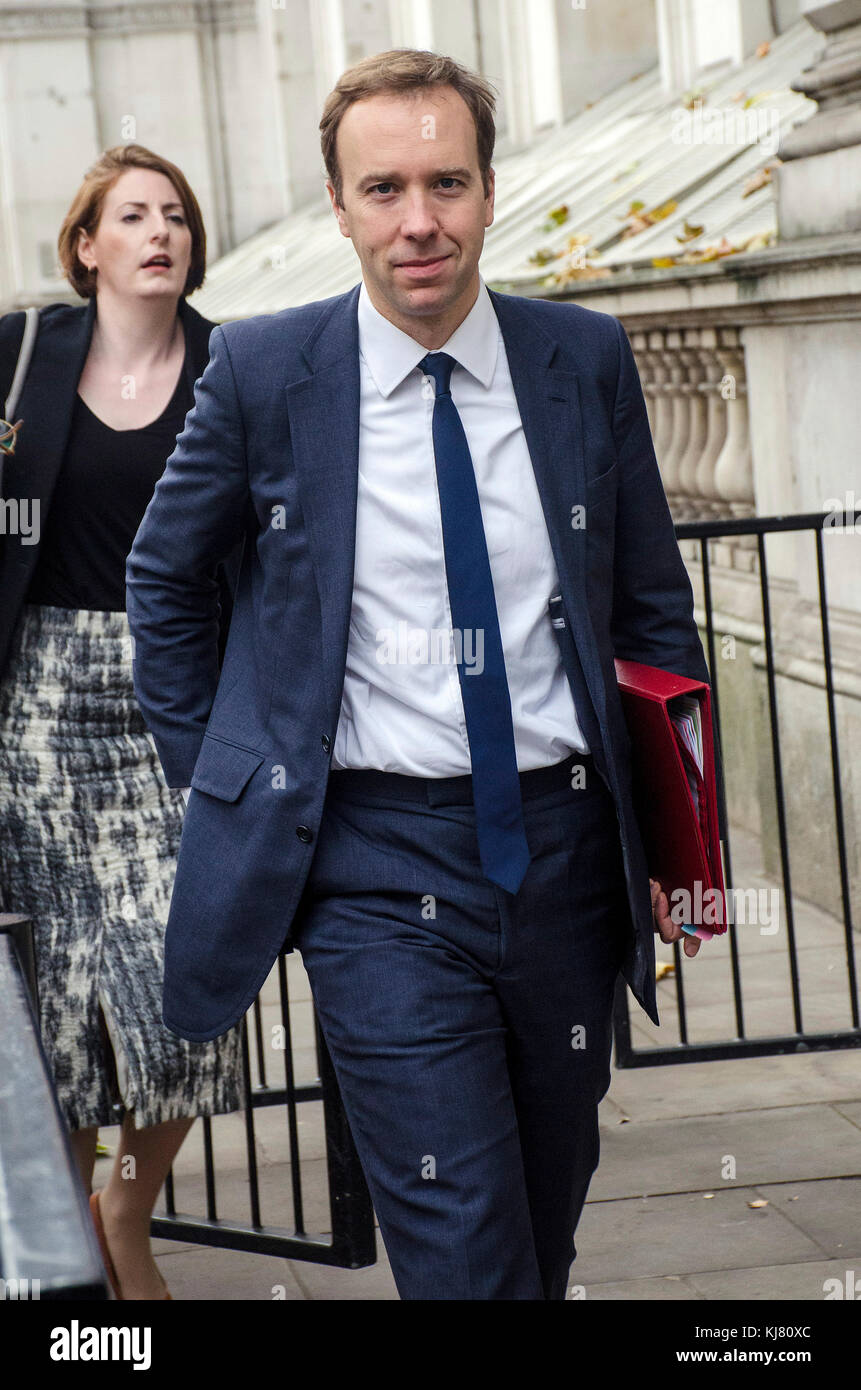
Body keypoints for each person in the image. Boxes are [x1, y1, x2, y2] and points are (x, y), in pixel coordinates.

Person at [126, 49, 713, 1301]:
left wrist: (681, 840)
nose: (418, 222)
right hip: (375, 869)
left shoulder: (584, 361)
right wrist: (223, 776)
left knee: (540, 1229)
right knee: (466, 1253)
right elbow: (163, 582)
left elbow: (652, 611)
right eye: (382, 188)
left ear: (491, 192)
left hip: (564, 857)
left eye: (446, 182)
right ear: (337, 207)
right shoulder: (269, 373)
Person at [0, 144, 243, 1301]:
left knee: (184, 993)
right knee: (59, 1001)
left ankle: (120, 1210)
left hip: (175, 700)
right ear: (87, 244)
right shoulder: (21, 357)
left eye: (178, 216)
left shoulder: (231, 367)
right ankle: (76, 1268)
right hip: (38, 704)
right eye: (134, 215)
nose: (162, 231)